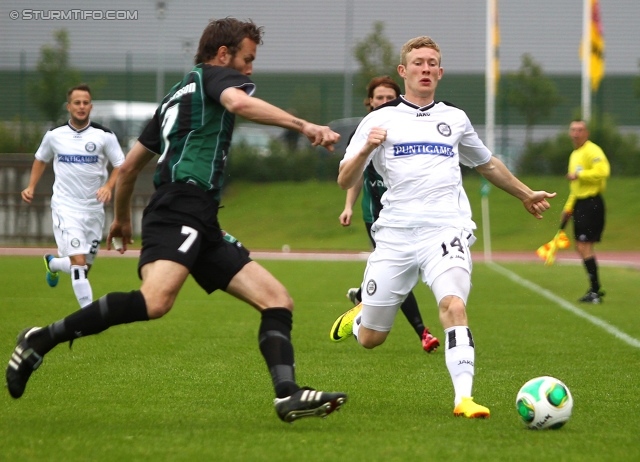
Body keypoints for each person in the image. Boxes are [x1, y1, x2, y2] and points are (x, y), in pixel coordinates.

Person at [7, 18, 347, 423]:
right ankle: (39, 339)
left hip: (198, 215)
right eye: (247, 59)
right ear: (223, 55)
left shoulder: (174, 95)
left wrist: (121, 221)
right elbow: (238, 103)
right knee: (155, 301)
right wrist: (304, 125)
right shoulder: (215, 79)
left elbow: (131, 169)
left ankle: (287, 395)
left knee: (277, 300)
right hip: (180, 204)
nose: (249, 71)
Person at [330, 36, 556, 418]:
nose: (425, 69)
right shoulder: (378, 120)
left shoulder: (455, 118)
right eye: (418, 63)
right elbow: (343, 178)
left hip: (445, 231)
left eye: (432, 63)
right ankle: (361, 317)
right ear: (404, 72)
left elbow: (487, 163)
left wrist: (523, 193)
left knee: (453, 305)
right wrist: (368, 147)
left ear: (440, 71)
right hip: (395, 236)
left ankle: (463, 398)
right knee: (372, 339)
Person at [337, 76, 439, 353]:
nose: (384, 102)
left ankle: (362, 296)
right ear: (369, 101)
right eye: (378, 98)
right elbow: (354, 175)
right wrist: (348, 206)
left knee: (408, 271)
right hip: (379, 218)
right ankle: (423, 332)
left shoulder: (410, 126)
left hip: (413, 216)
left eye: (389, 98)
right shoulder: (364, 132)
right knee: (400, 274)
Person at [21, 83, 124, 308]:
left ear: (91, 106)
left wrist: (108, 186)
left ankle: (54, 264)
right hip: (65, 207)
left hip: (94, 209)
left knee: (83, 267)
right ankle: (89, 315)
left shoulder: (104, 136)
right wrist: (31, 186)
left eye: (85, 103)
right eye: (77, 103)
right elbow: (40, 158)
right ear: (69, 106)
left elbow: (120, 165)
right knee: (78, 262)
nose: (81, 106)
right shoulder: (55, 135)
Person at [561, 120, 610, 304]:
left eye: (580, 130)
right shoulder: (574, 154)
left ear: (587, 133)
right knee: (580, 246)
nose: (576, 133)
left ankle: (595, 291)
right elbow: (575, 187)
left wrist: (580, 174)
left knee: (585, 246)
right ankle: (594, 289)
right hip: (580, 203)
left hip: (592, 203)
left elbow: (603, 171)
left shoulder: (592, 150)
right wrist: (568, 208)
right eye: (573, 129)